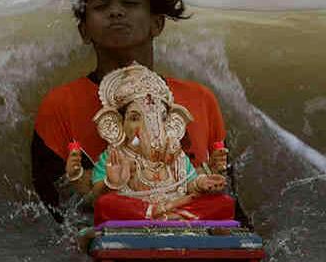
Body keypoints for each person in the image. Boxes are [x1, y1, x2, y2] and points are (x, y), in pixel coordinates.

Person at [30, 0, 230, 220]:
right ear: (84, 31)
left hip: (194, 234)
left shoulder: (200, 99)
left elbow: (227, 188)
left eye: (130, 3)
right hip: (117, 238)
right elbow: (53, 207)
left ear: (157, 23)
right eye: (101, 6)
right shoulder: (60, 104)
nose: (115, 12)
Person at [81, 63, 231, 223]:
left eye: (159, 118)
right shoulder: (114, 156)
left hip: (177, 208)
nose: (150, 127)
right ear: (116, 124)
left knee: (224, 203)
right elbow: (93, 200)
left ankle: (168, 217)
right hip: (136, 215)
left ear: (170, 122)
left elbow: (189, 185)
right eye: (134, 118)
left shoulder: (176, 155)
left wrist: (201, 183)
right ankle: (156, 214)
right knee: (106, 204)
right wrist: (111, 184)